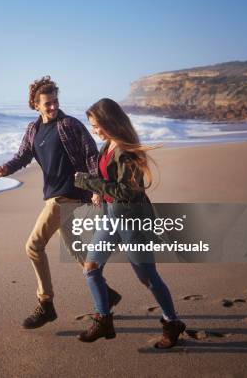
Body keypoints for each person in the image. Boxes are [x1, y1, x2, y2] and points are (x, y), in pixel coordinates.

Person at [0, 76, 122, 329]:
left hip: (67, 195)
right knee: (78, 253)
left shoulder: (69, 125)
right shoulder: (33, 129)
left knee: (33, 246)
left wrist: (95, 188)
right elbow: (23, 155)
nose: (53, 107)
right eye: (47, 104)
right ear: (35, 105)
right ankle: (106, 294)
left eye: (55, 102)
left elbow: (90, 155)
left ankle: (46, 304)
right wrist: (6, 168)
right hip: (56, 194)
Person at [73, 98, 186, 348]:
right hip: (110, 218)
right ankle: (103, 320)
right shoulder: (108, 146)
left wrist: (89, 183)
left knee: (147, 277)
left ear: (109, 121)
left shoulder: (126, 151)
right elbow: (109, 182)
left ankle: (172, 322)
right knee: (91, 268)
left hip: (133, 222)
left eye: (96, 125)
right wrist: (98, 192)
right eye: (91, 126)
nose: (94, 131)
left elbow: (128, 191)